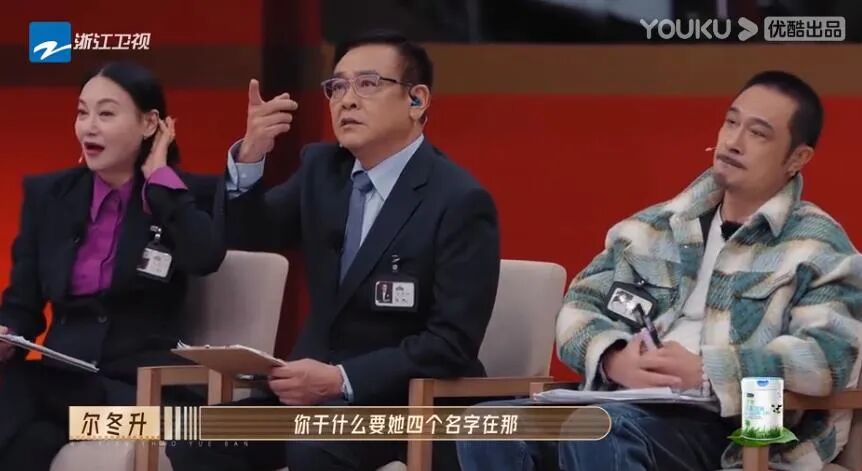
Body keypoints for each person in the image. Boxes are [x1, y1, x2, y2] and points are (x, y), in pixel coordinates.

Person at [457, 70, 862, 470]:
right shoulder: (653, 229)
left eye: (758, 133)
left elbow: (828, 357)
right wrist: (614, 358)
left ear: (797, 158)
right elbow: (579, 306)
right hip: (623, 403)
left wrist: (707, 371)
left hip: (731, 427)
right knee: (489, 424)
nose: (733, 141)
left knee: (599, 428)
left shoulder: (818, 248)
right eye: (731, 122)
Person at [167, 30, 501, 471]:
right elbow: (251, 235)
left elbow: (450, 344)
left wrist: (341, 380)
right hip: (311, 399)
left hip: (402, 407)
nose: (347, 100)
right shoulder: (322, 170)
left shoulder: (459, 201)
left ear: (416, 100)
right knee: (196, 434)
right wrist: (250, 158)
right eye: (337, 87)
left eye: (367, 84)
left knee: (313, 447)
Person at [0, 61, 226, 470]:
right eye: (82, 112)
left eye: (105, 114)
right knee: (27, 445)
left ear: (149, 123)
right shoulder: (49, 196)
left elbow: (204, 256)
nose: (88, 127)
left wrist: (160, 180)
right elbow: (22, 304)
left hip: (142, 400)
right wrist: (7, 336)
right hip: (64, 392)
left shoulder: (182, 195)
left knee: (19, 387)